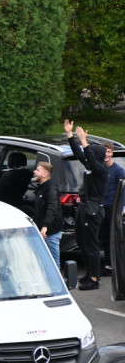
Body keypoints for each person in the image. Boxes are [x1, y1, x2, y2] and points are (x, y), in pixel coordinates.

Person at [66, 120, 107, 290]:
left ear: (96, 155)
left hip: (93, 210)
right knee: (82, 243)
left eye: (90, 150)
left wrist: (84, 142)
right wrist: (70, 135)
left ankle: (94, 279)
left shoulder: (100, 170)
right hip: (84, 207)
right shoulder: (89, 166)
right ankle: (88, 273)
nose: (86, 152)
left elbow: (88, 154)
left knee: (91, 246)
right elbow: (79, 153)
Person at [31, 161, 62, 271]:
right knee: (42, 261)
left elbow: (52, 209)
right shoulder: (41, 187)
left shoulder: (50, 189)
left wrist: (45, 227)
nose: (34, 171)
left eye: (37, 170)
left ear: (45, 174)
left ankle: (58, 285)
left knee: (53, 262)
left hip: (50, 232)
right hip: (43, 231)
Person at [100, 145, 124, 277]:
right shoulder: (101, 169)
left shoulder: (118, 170)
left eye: (108, 152)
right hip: (101, 208)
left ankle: (114, 266)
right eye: (104, 152)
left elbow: (124, 189)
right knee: (104, 238)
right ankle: (107, 265)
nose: (106, 154)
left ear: (112, 154)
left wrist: (122, 208)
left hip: (113, 209)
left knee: (112, 238)